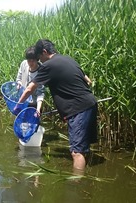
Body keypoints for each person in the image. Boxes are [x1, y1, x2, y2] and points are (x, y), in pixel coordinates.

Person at [16, 39, 97, 174]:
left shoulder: (49, 65)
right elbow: (87, 80)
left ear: (44, 52)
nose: (39, 61)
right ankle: (85, 177)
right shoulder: (68, 59)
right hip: (89, 104)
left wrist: (18, 104)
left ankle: (77, 186)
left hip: (79, 109)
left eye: (39, 57)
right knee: (83, 146)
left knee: (76, 152)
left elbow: (30, 88)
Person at [16, 46, 45, 115]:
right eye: (29, 60)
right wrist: (19, 83)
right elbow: (19, 78)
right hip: (23, 100)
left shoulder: (41, 72)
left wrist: (38, 109)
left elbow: (40, 93)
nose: (31, 63)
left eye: (33, 61)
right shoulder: (24, 64)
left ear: (37, 59)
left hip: (34, 104)